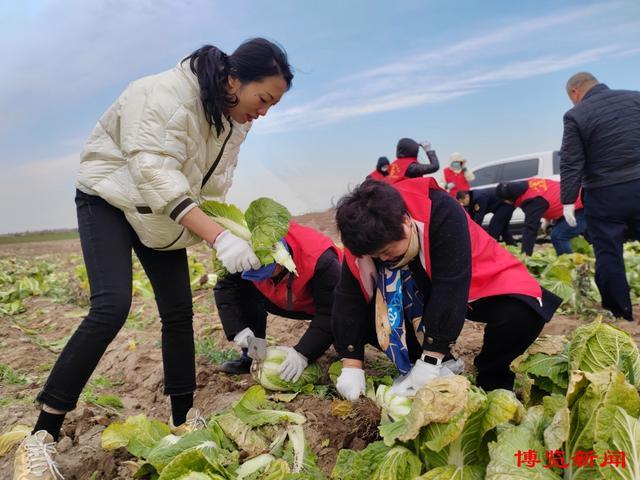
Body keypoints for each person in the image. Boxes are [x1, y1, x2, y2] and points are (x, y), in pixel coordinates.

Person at [13, 39, 293, 479]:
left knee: (179, 312)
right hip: (109, 198)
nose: (264, 111)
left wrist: (233, 238)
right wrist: (218, 236)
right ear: (235, 80)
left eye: (273, 105)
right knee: (111, 307)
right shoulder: (164, 93)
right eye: (264, 99)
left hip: (159, 214)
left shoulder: (233, 122)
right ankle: (40, 435)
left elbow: (211, 187)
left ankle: (183, 419)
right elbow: (153, 171)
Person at [331, 178, 561, 400]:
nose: (384, 258)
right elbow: (348, 297)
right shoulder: (361, 238)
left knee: (522, 313)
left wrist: (431, 357)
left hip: (467, 280)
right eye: (376, 255)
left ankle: (492, 378)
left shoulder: (439, 210)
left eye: (388, 250)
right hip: (413, 290)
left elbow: (451, 285)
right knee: (373, 315)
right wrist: (351, 363)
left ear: (405, 220)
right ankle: (431, 362)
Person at [214, 222, 341, 379]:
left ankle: (348, 354)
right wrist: (238, 329)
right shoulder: (241, 251)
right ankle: (253, 357)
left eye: (268, 272)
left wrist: (303, 353)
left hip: (323, 303)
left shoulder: (322, 260)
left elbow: (331, 310)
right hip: (279, 299)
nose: (265, 278)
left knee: (342, 333)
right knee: (244, 292)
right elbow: (226, 288)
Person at [560, 72, 640, 321]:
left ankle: (621, 312)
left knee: (608, 252)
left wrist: (568, 201)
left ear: (575, 92)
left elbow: (571, 161)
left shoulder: (576, 114)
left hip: (606, 193)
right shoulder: (635, 98)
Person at [496, 178, 587, 256]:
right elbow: (548, 197)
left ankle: (570, 266)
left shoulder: (531, 201)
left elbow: (530, 229)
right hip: (576, 201)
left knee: (558, 236)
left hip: (584, 206)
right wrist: (547, 220)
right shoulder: (529, 183)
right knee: (584, 235)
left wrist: (526, 255)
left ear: (508, 200)